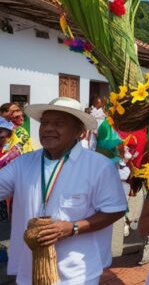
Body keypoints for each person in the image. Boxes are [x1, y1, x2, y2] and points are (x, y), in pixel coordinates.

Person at [0, 97, 127, 284]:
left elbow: (115, 209)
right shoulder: (23, 163)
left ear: (79, 132)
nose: (48, 128)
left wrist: (72, 228)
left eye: (59, 124)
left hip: (78, 274)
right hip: (30, 271)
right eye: (44, 123)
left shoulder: (99, 166)